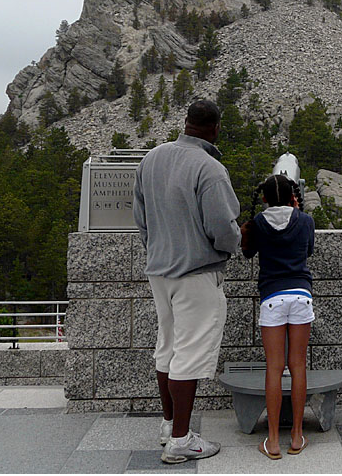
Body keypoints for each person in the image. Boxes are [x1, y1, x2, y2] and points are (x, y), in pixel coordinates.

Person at [133, 100, 241, 464]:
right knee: (190, 355)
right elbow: (222, 229)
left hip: (159, 270)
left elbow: (141, 216)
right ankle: (181, 440)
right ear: (215, 129)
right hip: (196, 272)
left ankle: (168, 425)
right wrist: (233, 245)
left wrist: (159, 249)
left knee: (167, 348)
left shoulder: (152, 159)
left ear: (186, 123)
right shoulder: (209, 168)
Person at [241, 174, 315, 459]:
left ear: (264, 199)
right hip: (301, 294)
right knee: (298, 366)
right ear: (292, 196)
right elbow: (308, 250)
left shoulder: (258, 222)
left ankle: (272, 441)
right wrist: (298, 210)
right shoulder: (304, 220)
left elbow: (249, 252)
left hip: (272, 297)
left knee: (274, 368)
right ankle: (296, 436)